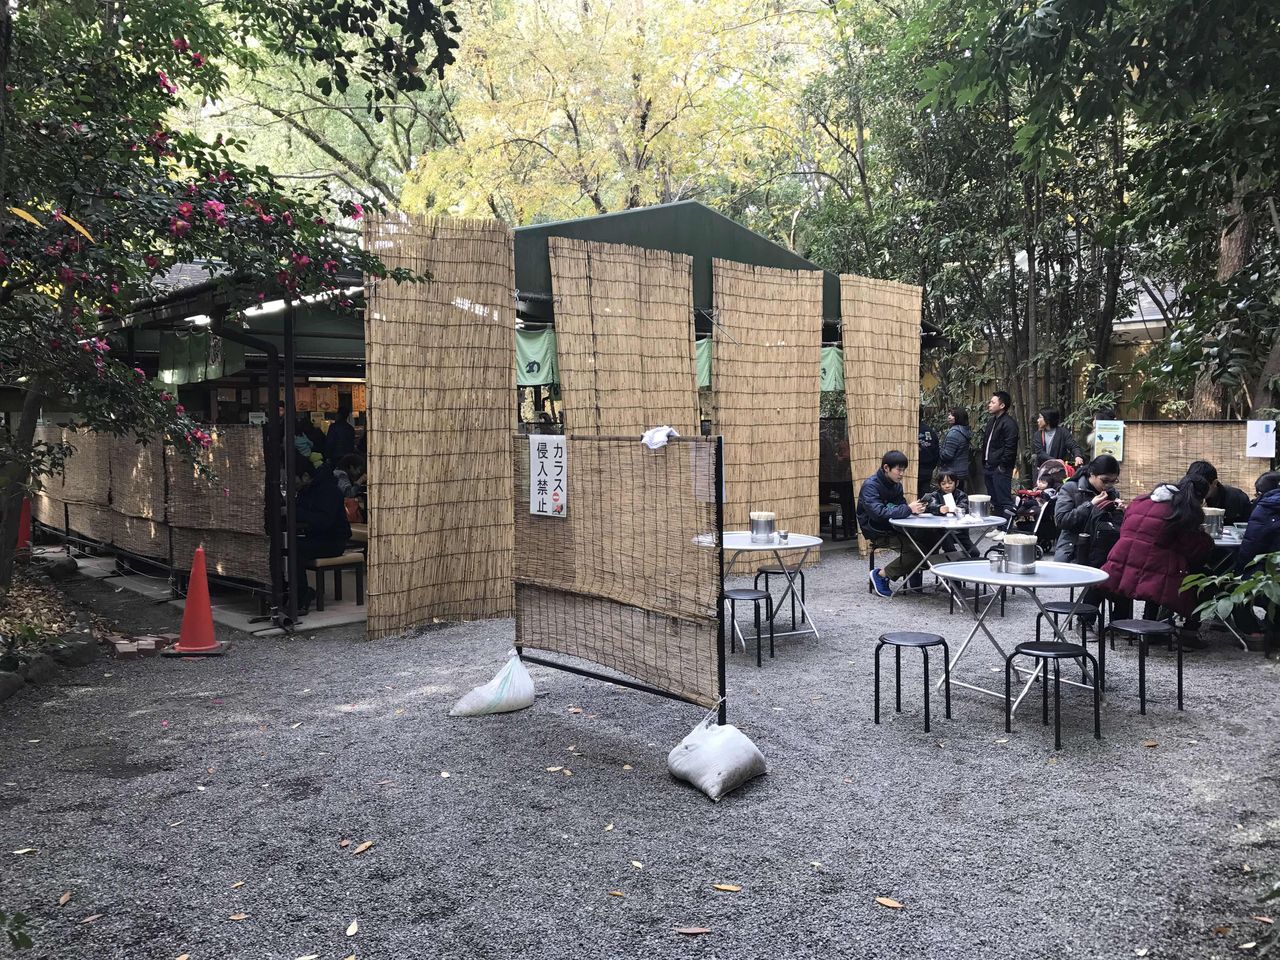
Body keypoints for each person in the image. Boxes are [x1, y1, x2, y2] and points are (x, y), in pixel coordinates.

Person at [1102, 474, 1214, 628]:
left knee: (1154, 562)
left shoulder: (1140, 500)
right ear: (1200, 498)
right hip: (1154, 572)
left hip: (1120, 562)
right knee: (1202, 577)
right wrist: (1208, 540)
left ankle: (1122, 622)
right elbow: (1192, 548)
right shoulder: (1184, 511)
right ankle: (1185, 631)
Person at [857, 450, 928, 597]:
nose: (901, 474)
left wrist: (915, 510)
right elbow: (878, 514)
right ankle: (881, 575)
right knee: (919, 552)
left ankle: (912, 570)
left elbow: (900, 507)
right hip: (877, 530)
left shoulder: (896, 485)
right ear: (886, 468)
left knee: (931, 539)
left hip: (894, 527)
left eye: (903, 470)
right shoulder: (870, 486)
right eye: (899, 470)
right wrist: (908, 509)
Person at [294, 462, 352, 613]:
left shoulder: (329, 491)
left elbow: (323, 521)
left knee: (294, 549)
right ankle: (292, 590)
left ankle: (302, 595)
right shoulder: (305, 490)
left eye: (293, 479)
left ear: (305, 476)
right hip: (315, 537)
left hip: (333, 541)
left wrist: (295, 512)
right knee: (282, 546)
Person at [1233, 471, 1280, 648]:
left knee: (1235, 586)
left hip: (1269, 573)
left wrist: (1238, 572)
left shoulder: (1266, 507)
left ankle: (1253, 633)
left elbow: (1251, 547)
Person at [1053, 454, 1122, 563]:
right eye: (1105, 480)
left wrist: (1119, 512)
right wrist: (1091, 504)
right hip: (1073, 551)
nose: (1109, 485)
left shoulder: (1113, 493)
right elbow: (1061, 520)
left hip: (1101, 553)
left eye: (1114, 481)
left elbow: (1113, 526)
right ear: (1092, 474)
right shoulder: (1071, 488)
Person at [922, 469, 979, 558]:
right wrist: (939, 508)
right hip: (942, 530)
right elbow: (931, 505)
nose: (947, 486)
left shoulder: (961, 495)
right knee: (950, 549)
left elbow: (965, 505)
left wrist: (958, 509)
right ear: (939, 485)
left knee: (975, 552)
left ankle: (964, 561)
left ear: (956, 483)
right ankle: (951, 561)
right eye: (943, 483)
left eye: (950, 483)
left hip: (959, 530)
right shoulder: (935, 495)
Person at [981, 391, 1018, 520]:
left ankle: (1005, 527)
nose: (989, 405)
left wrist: (1002, 466)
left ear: (1002, 406)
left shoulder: (1009, 423)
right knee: (994, 499)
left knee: (1004, 499)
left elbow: (1010, 448)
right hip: (989, 465)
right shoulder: (992, 421)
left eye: (993, 402)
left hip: (1001, 468)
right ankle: (998, 525)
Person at [1186, 460, 1252, 525]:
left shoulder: (1238, 498)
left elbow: (1248, 525)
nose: (1198, 491)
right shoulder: (1185, 497)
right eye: (1194, 486)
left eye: (1202, 486)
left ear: (1215, 483)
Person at [819, 423, 855, 540]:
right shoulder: (835, 445)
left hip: (843, 479)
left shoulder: (849, 446)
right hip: (834, 478)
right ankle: (824, 520)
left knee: (847, 496)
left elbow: (846, 457)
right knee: (824, 493)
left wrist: (840, 458)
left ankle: (849, 524)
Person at [937, 407, 972, 489]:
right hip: (961, 471)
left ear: (959, 417)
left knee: (950, 496)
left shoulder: (954, 433)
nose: (949, 417)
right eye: (949, 414)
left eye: (952, 415)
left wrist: (939, 449)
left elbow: (947, 455)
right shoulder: (964, 431)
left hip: (951, 473)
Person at [917, 412, 940, 497]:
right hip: (927, 470)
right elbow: (936, 451)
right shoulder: (930, 431)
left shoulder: (907, 430)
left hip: (920, 469)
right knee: (924, 496)